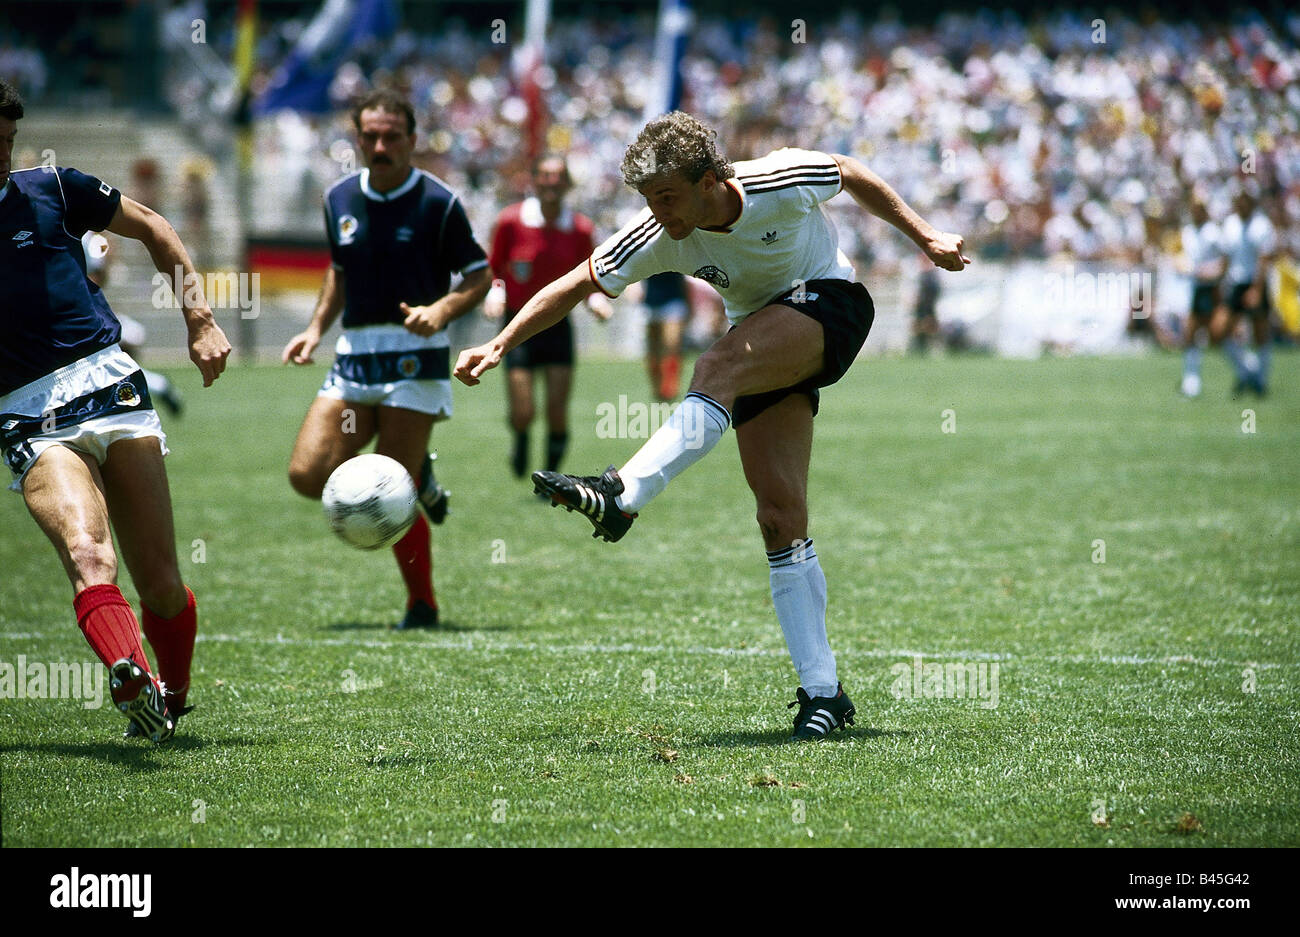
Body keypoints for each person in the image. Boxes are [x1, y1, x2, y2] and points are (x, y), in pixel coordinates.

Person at [455, 111, 969, 740]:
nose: (658, 212)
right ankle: (824, 695)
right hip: (764, 334)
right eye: (648, 198)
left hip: (831, 302)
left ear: (709, 180)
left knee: (715, 365)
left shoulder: (778, 176)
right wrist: (499, 344)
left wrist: (926, 237)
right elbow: (575, 282)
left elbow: (850, 171)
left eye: (667, 197)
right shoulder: (659, 234)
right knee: (780, 519)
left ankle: (623, 494)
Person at [0, 78, 230, 742]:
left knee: (160, 583)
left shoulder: (53, 188)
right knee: (86, 552)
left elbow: (154, 226)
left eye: (7, 141)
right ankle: (131, 675)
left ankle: (172, 695)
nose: (1, 153)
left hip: (109, 382)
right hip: (27, 411)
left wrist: (199, 317)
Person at [282, 89, 491, 630]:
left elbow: (479, 276)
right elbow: (340, 271)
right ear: (357, 138)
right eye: (369, 136)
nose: (380, 145)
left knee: (389, 487)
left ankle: (421, 604)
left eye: (391, 136)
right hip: (354, 358)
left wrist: (441, 311)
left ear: (412, 140)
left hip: (413, 362)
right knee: (308, 476)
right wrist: (313, 329)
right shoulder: (339, 199)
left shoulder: (437, 203)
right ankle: (423, 472)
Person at [484, 154, 611, 481]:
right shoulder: (511, 221)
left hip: (557, 326)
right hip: (517, 325)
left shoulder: (580, 228)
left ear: (567, 183)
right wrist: (496, 292)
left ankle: (549, 478)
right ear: (534, 180)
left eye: (558, 177)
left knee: (557, 411)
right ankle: (521, 438)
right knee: (524, 411)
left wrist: (595, 300)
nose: (552, 183)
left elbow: (589, 276)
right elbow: (494, 269)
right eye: (545, 175)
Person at [80, 231, 185, 416]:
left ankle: (153, 387)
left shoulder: (87, 239)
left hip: (82, 314)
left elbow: (98, 275)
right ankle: (158, 385)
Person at [1216, 191, 1277, 396]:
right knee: (1219, 331)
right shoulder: (1230, 224)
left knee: (1260, 332)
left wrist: (1257, 289)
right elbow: (1225, 259)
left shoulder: (1261, 225)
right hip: (1235, 283)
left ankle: (1260, 380)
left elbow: (1264, 259)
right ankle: (1247, 370)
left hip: (1255, 283)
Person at [1178, 200, 1227, 398]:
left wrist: (1208, 272)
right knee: (1190, 333)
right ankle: (1191, 383)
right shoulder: (1188, 232)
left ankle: (1248, 371)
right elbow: (1184, 257)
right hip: (1195, 287)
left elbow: (1225, 261)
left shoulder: (1213, 233)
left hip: (1211, 288)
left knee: (1217, 335)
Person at [643, 272, 690, 401]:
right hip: (650, 302)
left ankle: (670, 388)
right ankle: (656, 389)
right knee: (653, 349)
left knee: (672, 345)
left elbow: (685, 281)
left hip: (673, 302)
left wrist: (689, 304)